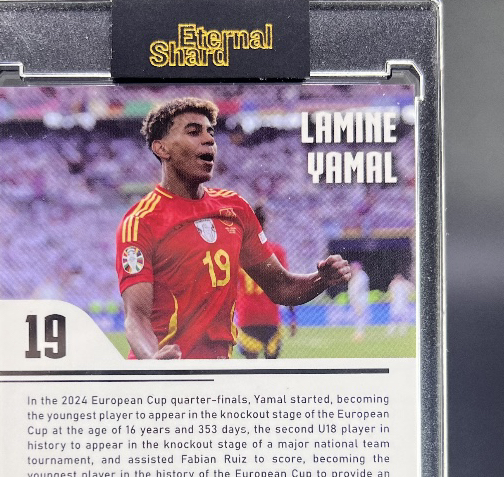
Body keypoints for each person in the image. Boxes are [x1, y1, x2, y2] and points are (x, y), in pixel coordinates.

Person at [116, 97, 350, 360]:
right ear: (162, 148)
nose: (208, 140)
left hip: (221, 372)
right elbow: (136, 318)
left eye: (210, 132)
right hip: (168, 373)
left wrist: (321, 279)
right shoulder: (141, 222)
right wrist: (152, 362)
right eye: (194, 132)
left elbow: (282, 287)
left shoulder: (235, 208)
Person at [235, 205, 296, 359]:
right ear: (264, 224)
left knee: (251, 367)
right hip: (270, 316)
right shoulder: (277, 251)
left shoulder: (238, 251)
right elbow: (286, 284)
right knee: (271, 366)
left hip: (247, 315)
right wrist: (293, 317)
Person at [348, 261, 370, 341]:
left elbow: (357, 289)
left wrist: (356, 302)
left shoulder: (361, 276)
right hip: (357, 299)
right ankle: (359, 332)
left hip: (360, 299)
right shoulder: (357, 276)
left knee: (360, 316)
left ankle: (360, 333)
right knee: (357, 317)